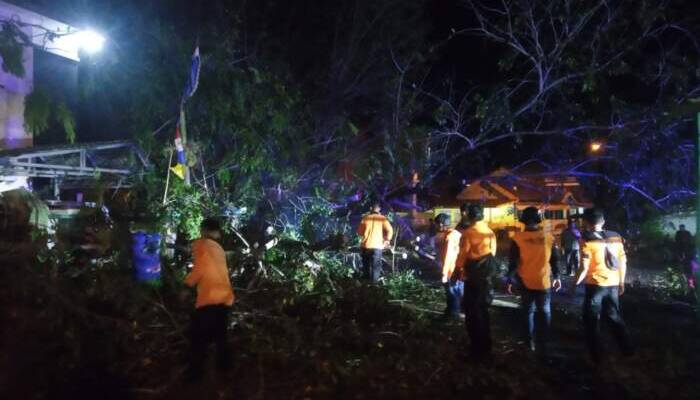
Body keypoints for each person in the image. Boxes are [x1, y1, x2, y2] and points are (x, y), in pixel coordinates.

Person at [575, 208, 634, 363]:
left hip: (595, 286)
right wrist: (621, 282)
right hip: (613, 284)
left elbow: (584, 267)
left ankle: (596, 356)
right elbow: (623, 262)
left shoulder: (586, 238)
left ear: (586, 222)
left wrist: (574, 283)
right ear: (603, 221)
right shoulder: (616, 236)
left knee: (591, 320)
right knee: (614, 317)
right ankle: (627, 350)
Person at [184, 218, 235, 380]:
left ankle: (195, 374)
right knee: (221, 337)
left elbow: (201, 268)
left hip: (209, 299)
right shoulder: (219, 248)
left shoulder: (203, 244)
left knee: (197, 336)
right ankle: (225, 372)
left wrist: (186, 285)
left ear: (204, 230)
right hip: (225, 298)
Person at [507, 207, 561, 356]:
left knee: (528, 311)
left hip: (525, 280)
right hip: (543, 280)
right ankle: (544, 342)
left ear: (523, 221)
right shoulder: (548, 237)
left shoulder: (517, 238)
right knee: (544, 311)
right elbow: (555, 259)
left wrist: (510, 279)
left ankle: (528, 342)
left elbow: (513, 262)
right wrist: (556, 276)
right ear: (538, 220)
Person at [456, 204, 497, 362]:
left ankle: (476, 347)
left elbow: (463, 255)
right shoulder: (490, 233)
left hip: (473, 275)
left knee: (472, 311)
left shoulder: (468, 233)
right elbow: (492, 253)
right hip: (486, 275)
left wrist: (457, 271)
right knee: (483, 310)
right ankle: (486, 346)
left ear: (470, 216)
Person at [433, 213, 463, 317]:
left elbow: (447, 256)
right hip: (459, 269)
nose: (435, 227)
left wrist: (444, 274)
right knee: (458, 292)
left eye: (436, 224)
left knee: (451, 294)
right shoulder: (456, 234)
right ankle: (456, 312)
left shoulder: (449, 237)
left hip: (451, 270)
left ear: (441, 224)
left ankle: (452, 315)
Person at [357, 202, 393, 282]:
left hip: (365, 246)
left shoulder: (365, 218)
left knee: (366, 266)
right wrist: (387, 240)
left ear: (370, 208)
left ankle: (365, 286)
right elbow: (390, 230)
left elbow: (359, 232)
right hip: (377, 247)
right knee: (375, 268)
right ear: (379, 209)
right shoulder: (382, 219)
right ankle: (374, 286)